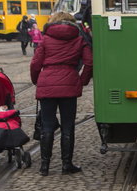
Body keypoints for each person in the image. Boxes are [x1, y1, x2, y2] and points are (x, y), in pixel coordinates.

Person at [30, 12, 92, 176]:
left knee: (47, 125)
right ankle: (66, 165)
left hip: (47, 83)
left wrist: (38, 81)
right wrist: (82, 80)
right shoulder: (79, 39)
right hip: (69, 84)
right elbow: (89, 62)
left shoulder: (45, 39)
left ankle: (45, 167)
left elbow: (35, 63)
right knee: (68, 126)